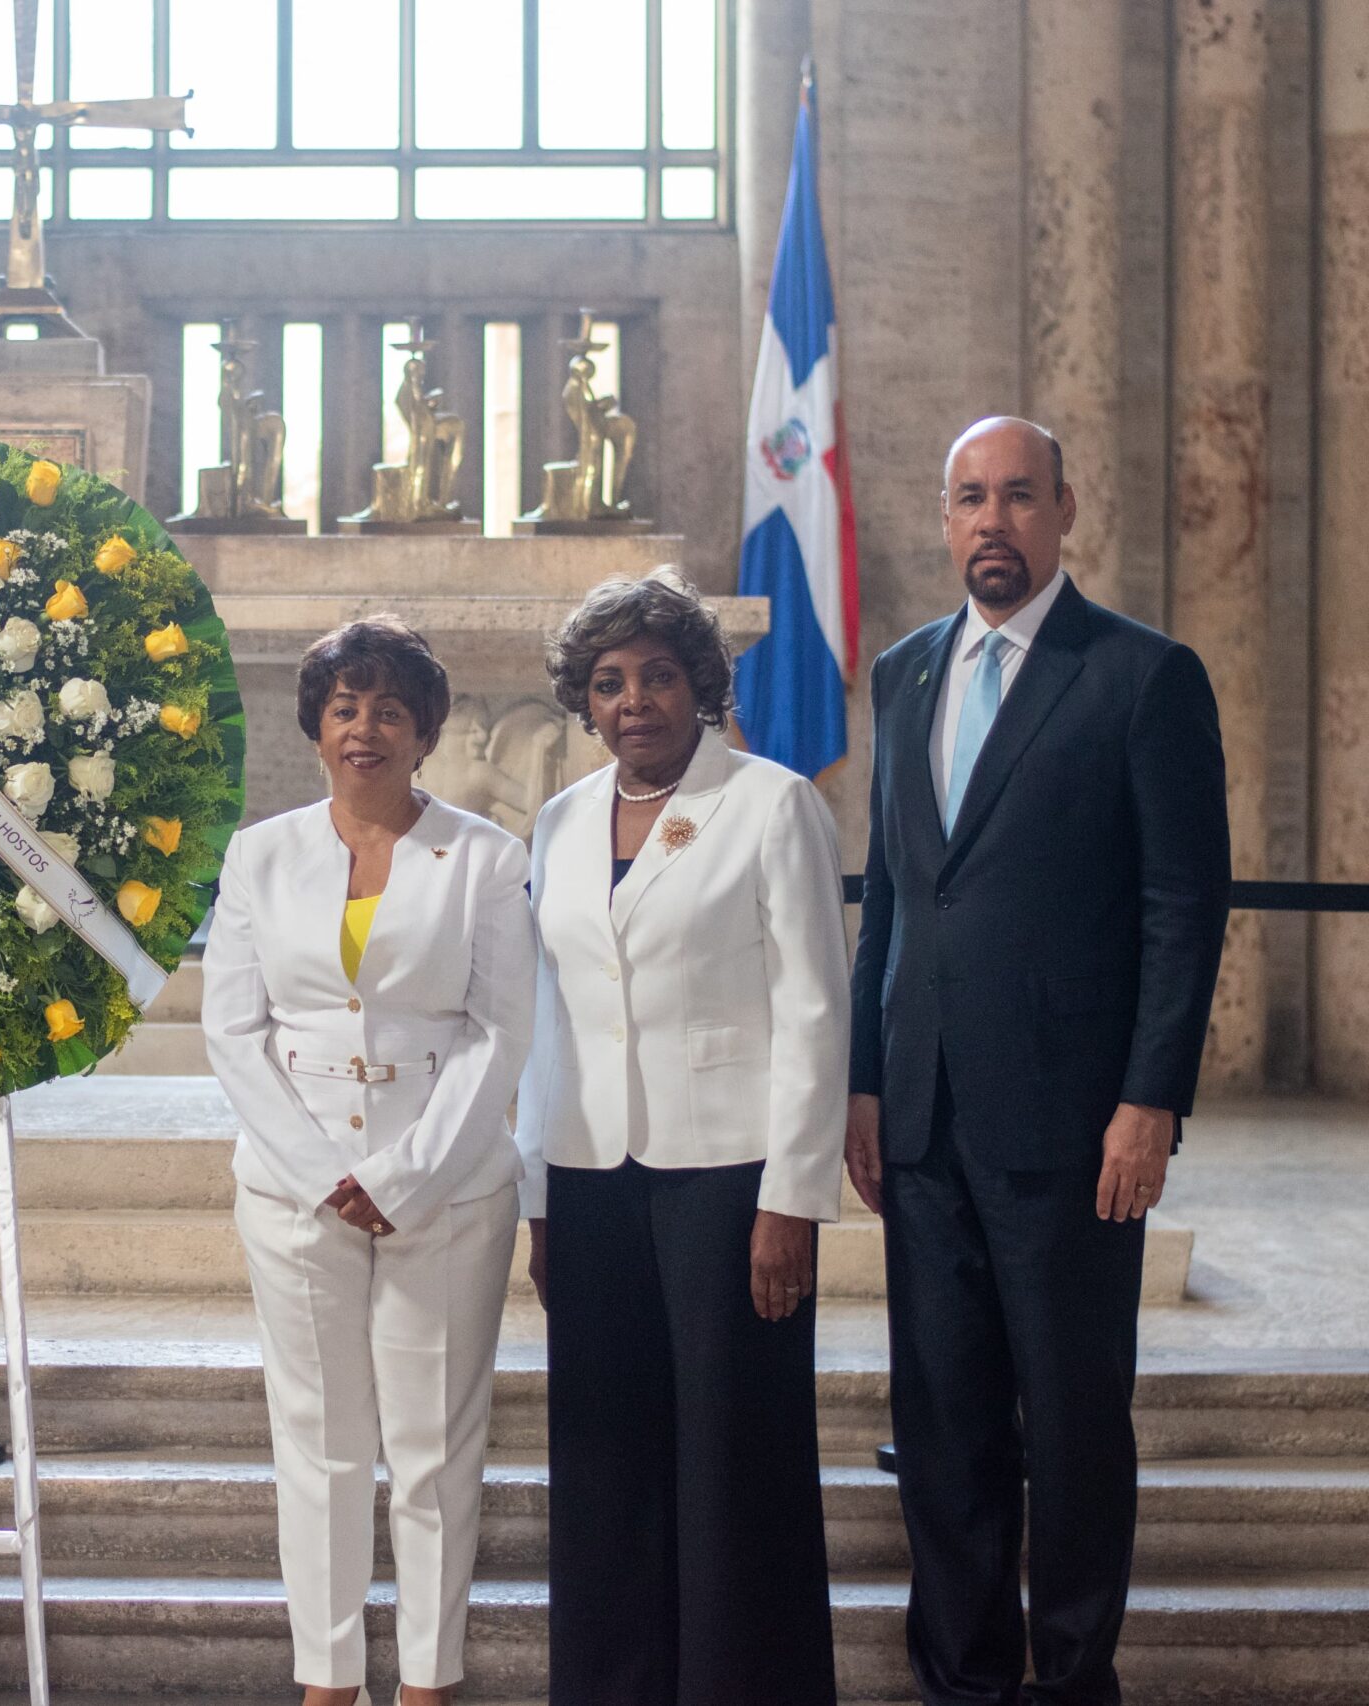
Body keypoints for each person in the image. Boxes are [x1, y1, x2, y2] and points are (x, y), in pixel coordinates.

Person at [850, 417, 1230, 1706]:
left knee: (1070, 1427)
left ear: (1066, 509)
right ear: (942, 517)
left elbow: (1183, 903)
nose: (992, 521)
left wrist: (1150, 1098)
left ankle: (1072, 1681)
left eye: (1018, 495)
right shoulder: (903, 673)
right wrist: (863, 1078)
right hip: (921, 1120)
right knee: (945, 1424)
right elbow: (896, 903)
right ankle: (959, 1679)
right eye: (969, 497)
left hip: (1073, 1127)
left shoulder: (1138, 676)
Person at [515, 570, 848, 1706]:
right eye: (608, 683)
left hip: (730, 1176)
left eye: (657, 675)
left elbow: (815, 1004)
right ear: (585, 703)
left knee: (733, 1459)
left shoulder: (770, 802)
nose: (634, 699)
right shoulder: (558, 823)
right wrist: (539, 1198)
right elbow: (548, 1015)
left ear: (699, 684)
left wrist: (792, 1196)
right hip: (590, 1173)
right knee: (604, 1462)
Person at [201, 616, 536, 1706]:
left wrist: (404, 1175)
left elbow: (499, 1029)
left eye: (390, 707)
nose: (365, 726)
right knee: (320, 1443)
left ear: (425, 731)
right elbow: (232, 1030)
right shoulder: (260, 853)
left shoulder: (486, 855)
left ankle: (429, 1680)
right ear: (316, 727)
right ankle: (328, 1678)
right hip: (296, 1195)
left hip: (446, 1192)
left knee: (435, 1446)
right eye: (345, 706)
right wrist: (318, 1172)